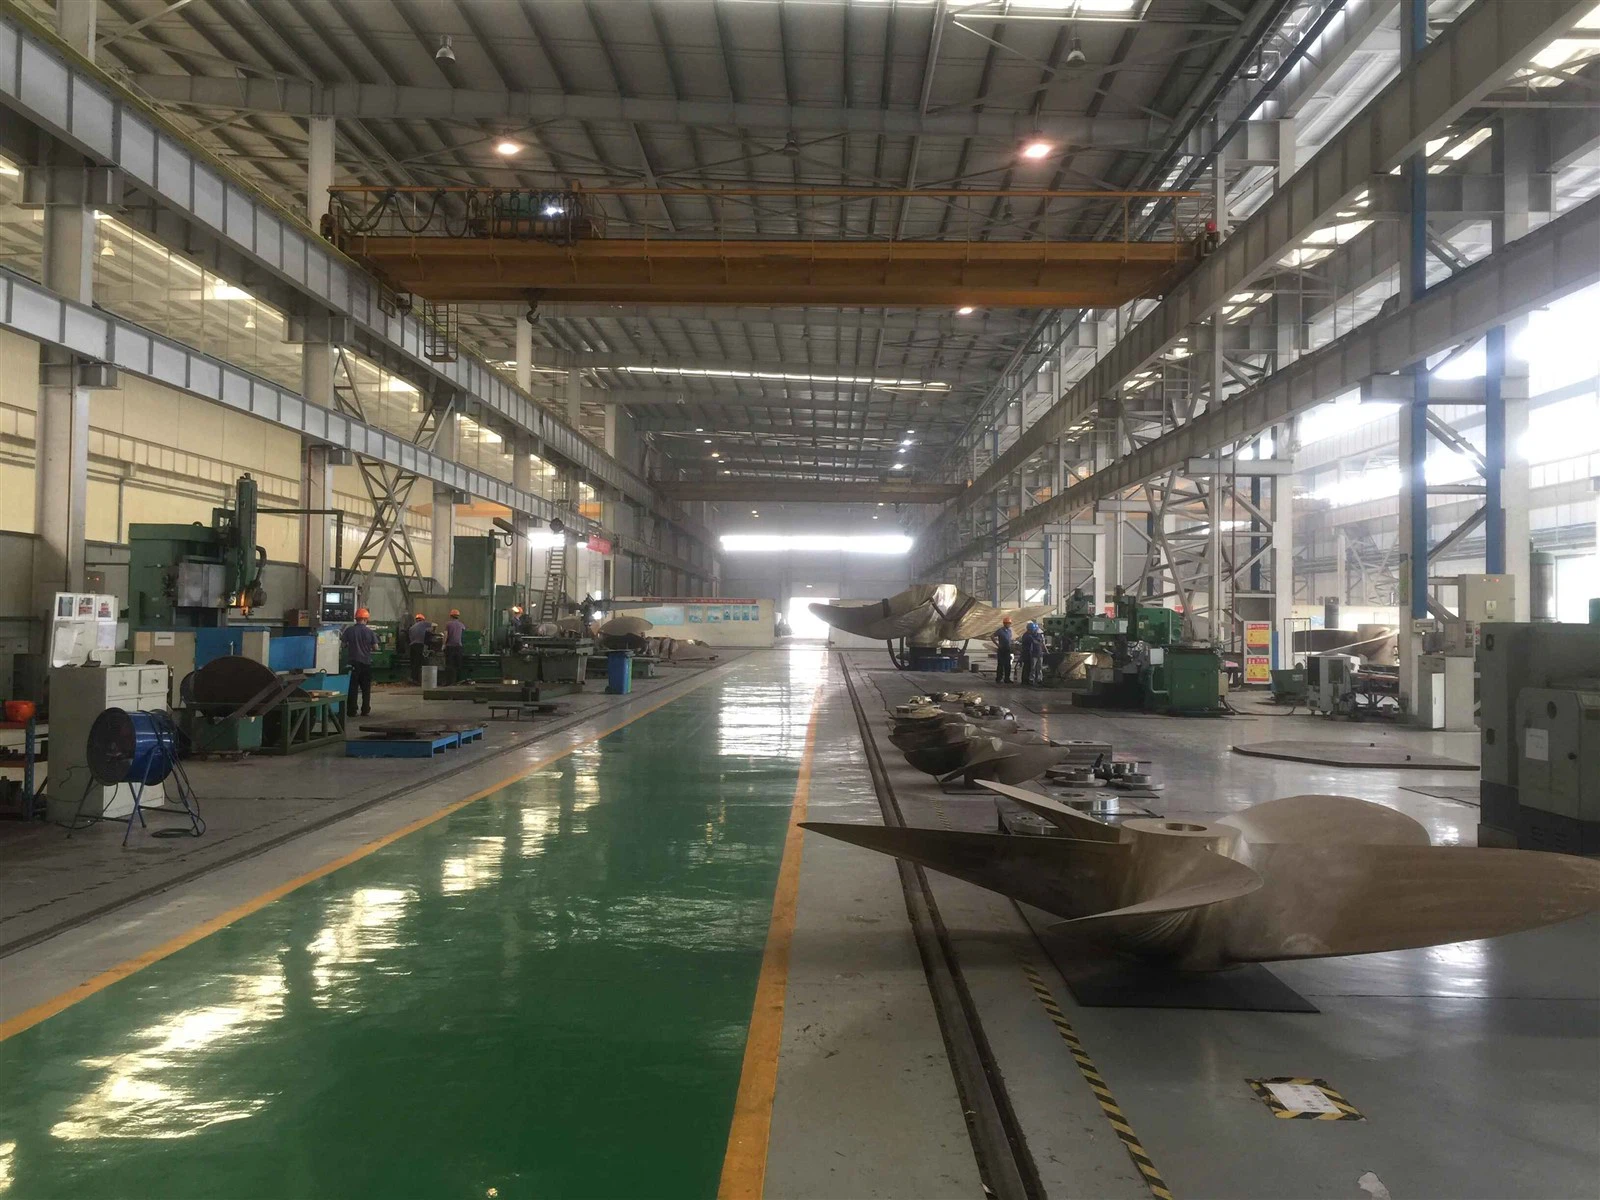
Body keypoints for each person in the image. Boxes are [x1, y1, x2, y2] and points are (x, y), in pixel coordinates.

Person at [341, 608, 378, 717]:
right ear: (366, 619)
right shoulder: (370, 632)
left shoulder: (349, 630)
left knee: (352, 688)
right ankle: (365, 709)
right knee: (366, 688)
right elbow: (375, 647)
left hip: (353, 663)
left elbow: (343, 645)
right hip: (366, 663)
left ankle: (352, 710)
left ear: (356, 619)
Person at [407, 612, 431, 684]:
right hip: (419, 645)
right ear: (422, 620)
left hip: (412, 646)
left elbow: (410, 639)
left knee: (413, 663)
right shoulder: (423, 624)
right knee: (419, 662)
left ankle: (413, 678)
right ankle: (419, 679)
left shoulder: (411, 628)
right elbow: (434, 625)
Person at [443, 608, 467, 685]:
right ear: (458, 616)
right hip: (459, 647)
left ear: (451, 616)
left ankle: (449, 682)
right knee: (458, 665)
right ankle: (458, 681)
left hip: (450, 647)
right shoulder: (462, 625)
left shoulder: (448, 624)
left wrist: (443, 645)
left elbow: (446, 635)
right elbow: (464, 635)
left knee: (449, 665)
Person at [1020, 620, 1046, 686]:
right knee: (1031, 668)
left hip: (1038, 654)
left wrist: (1045, 650)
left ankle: (1038, 679)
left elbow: (1042, 643)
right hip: (1030, 654)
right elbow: (1035, 642)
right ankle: (1028, 680)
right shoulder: (1027, 636)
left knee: (1038, 668)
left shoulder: (1036, 635)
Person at [994, 615, 1015, 685]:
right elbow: (992, 636)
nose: (1009, 625)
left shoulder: (1009, 631)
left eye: (1009, 623)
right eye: (1008, 623)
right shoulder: (1000, 631)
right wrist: (997, 645)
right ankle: (999, 678)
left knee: (1008, 665)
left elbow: (1010, 640)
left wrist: (1012, 646)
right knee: (1000, 664)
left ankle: (1007, 678)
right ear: (1004, 623)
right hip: (1001, 650)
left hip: (1007, 650)